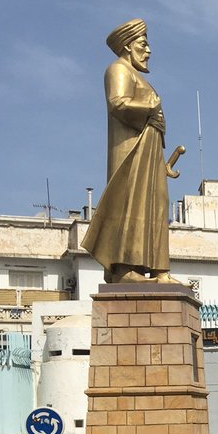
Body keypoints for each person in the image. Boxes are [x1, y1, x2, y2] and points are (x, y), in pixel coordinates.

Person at [82, 18, 182, 285]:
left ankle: (160, 270)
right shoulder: (117, 70)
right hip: (131, 153)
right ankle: (125, 268)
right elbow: (118, 104)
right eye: (143, 44)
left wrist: (162, 161)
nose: (148, 51)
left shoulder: (136, 76)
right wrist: (151, 107)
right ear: (128, 46)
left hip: (150, 151)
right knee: (132, 205)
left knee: (156, 207)